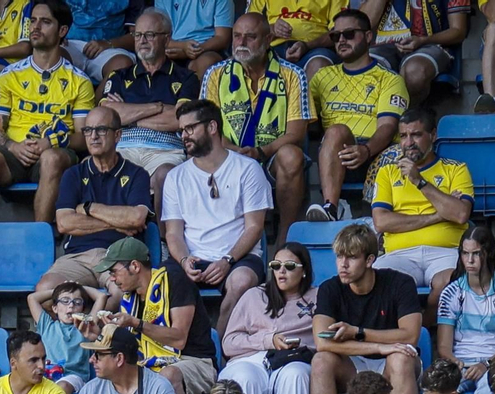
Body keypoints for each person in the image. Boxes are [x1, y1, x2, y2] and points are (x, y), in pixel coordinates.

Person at [99, 236, 220, 394]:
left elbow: (179, 338)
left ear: (134, 266)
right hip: (151, 363)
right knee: (110, 373)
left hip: (194, 361)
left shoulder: (175, 279)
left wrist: (135, 324)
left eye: (114, 271)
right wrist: (95, 332)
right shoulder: (130, 298)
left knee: (168, 376)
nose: (112, 279)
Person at [0, 0, 95, 226]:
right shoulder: (9, 75)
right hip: (14, 156)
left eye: (45, 22)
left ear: (62, 31)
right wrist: (12, 146)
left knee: (51, 158)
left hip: (56, 155)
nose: (35, 27)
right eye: (33, 21)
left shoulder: (79, 81)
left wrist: (51, 142)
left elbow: (84, 137)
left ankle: (42, 239)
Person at [161, 100, 272, 335]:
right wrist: (183, 260)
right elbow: (173, 232)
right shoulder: (175, 176)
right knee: (160, 282)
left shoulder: (248, 168)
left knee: (241, 282)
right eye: (181, 130)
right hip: (192, 258)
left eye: (190, 129)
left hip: (237, 258)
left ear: (212, 127)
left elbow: (254, 227)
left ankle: (219, 353)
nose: (184, 135)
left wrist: (227, 260)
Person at [33, 107, 152, 305]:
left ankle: (96, 333)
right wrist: (117, 224)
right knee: (45, 292)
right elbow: (64, 223)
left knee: (124, 296)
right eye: (88, 130)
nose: (93, 136)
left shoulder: (137, 174)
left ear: (118, 135)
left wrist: (88, 208)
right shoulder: (73, 174)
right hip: (77, 257)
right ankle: (83, 332)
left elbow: (136, 219)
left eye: (102, 130)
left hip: (119, 255)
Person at [198, 14, 308, 228]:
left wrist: (261, 152)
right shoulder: (215, 73)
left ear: (268, 40)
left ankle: (286, 238)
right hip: (227, 154)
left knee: (292, 155)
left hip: (271, 156)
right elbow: (205, 126)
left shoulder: (293, 74)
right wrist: (233, 151)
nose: (241, 44)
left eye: (250, 37)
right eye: (237, 36)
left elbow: (296, 132)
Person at [307, 223, 423, 394]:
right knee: (321, 360)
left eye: (351, 257)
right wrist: (378, 346)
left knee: (400, 359)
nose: (343, 264)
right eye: (339, 256)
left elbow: (410, 336)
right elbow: (322, 342)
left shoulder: (400, 283)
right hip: (352, 363)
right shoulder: (330, 288)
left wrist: (358, 333)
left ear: (369, 260)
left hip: (392, 362)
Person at [305, 10, 405, 224]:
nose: (341, 40)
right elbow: (302, 115)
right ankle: (331, 207)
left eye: (349, 34)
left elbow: (388, 127)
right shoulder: (322, 77)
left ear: (368, 37)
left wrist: (366, 149)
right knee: (336, 131)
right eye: (335, 36)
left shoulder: (389, 79)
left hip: (376, 154)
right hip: (337, 155)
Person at [370, 109, 473, 307]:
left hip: (446, 252)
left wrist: (420, 182)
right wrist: (438, 215)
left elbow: (460, 214)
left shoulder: (455, 169)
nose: (408, 143)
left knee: (451, 282)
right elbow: (381, 222)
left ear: (433, 135)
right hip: (399, 254)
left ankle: (422, 327)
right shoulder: (387, 172)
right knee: (378, 280)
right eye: (403, 136)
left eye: (416, 135)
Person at [97, 9, 200, 204]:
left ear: (167, 39)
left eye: (150, 35)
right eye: (138, 34)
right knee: (97, 167)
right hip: (123, 149)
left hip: (166, 152)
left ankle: (163, 235)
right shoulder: (119, 76)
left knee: (165, 175)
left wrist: (128, 116)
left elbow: (180, 120)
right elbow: (106, 116)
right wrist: (158, 107)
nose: (142, 40)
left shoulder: (186, 78)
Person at [218, 243, 318, 394]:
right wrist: (267, 341)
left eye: (289, 266)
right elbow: (229, 342)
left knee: (295, 374)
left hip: (293, 359)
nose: (281, 271)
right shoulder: (254, 295)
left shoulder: (318, 297)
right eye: (276, 266)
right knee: (244, 377)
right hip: (253, 360)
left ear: (304, 271)